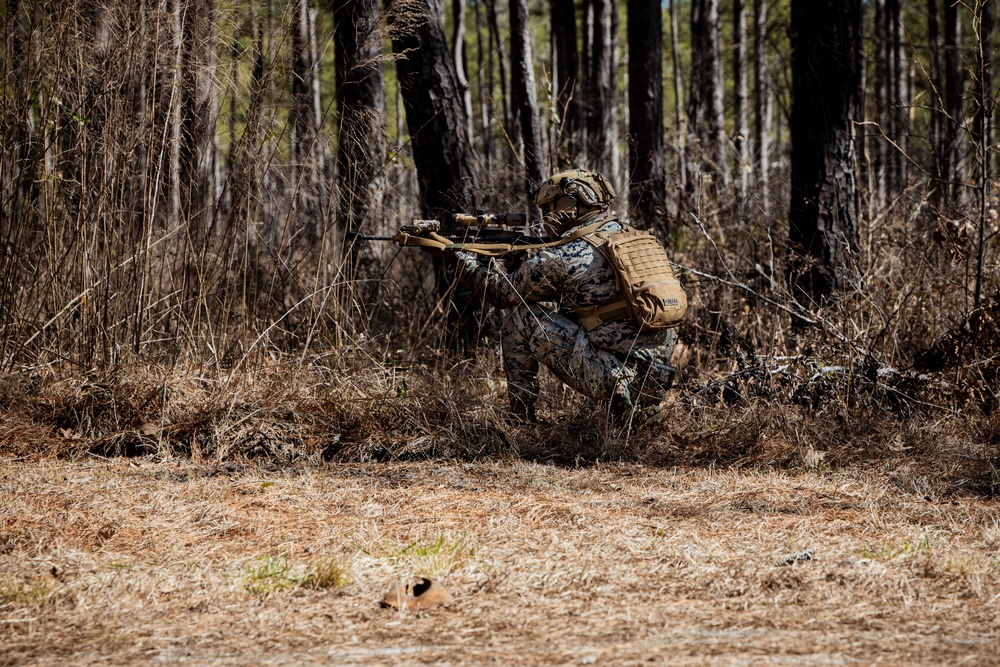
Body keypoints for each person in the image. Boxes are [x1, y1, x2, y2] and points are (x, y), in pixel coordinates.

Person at [454, 169, 677, 422]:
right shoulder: (636, 239)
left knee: (521, 318)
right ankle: (637, 410)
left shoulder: (566, 254)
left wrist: (464, 261)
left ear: (570, 206)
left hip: (616, 380)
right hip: (655, 376)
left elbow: (503, 293)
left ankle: (520, 421)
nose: (546, 217)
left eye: (549, 208)